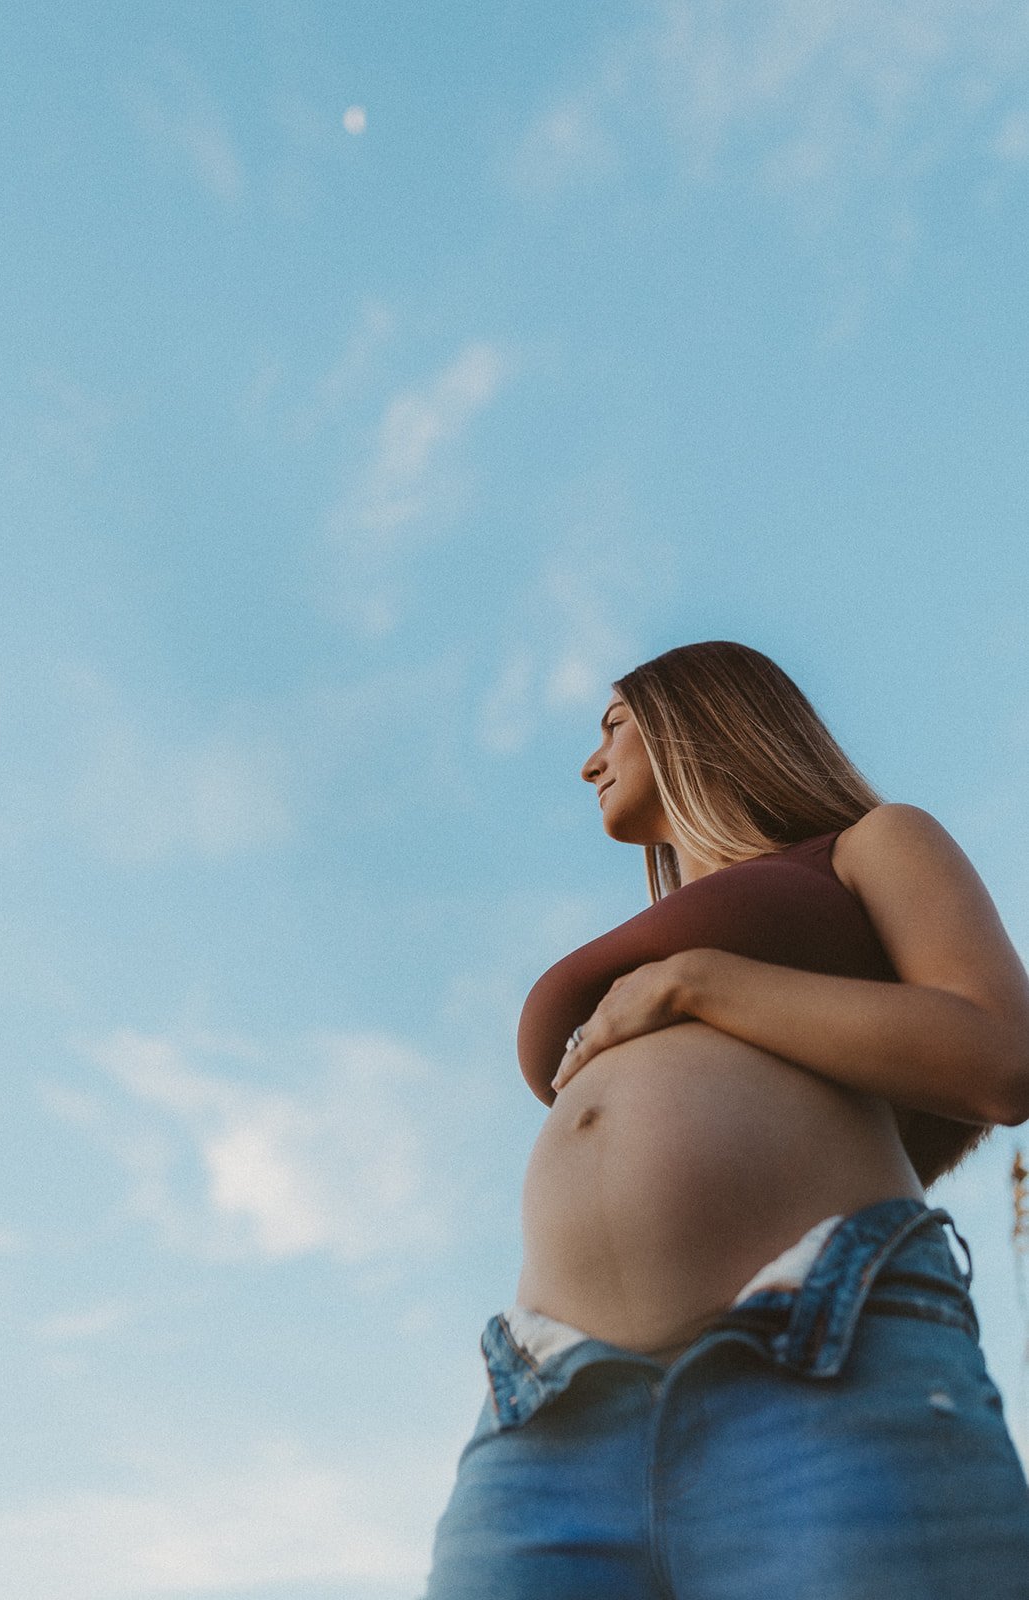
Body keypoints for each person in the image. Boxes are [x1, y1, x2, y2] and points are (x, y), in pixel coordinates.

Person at [422, 640, 1029, 1600]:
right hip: (548, 1410)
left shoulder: (871, 843)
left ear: (702, 719)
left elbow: (1002, 1059)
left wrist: (700, 984)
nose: (590, 761)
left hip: (821, 1364)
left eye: (615, 724)